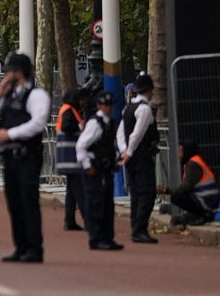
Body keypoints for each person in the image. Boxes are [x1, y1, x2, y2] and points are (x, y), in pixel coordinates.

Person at [0, 51, 49, 263]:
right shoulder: (8, 94)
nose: (5, 75)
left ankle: (34, 248)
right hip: (9, 155)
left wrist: (9, 134)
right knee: (14, 202)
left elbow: (38, 123)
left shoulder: (36, 95)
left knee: (28, 200)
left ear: (18, 72)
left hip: (27, 153)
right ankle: (20, 246)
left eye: (9, 71)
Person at [76, 90, 123, 251]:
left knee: (107, 206)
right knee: (96, 205)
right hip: (95, 170)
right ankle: (96, 238)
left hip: (106, 169)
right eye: (105, 104)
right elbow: (81, 146)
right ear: (98, 105)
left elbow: (109, 146)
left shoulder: (110, 123)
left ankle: (107, 238)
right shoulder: (95, 123)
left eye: (110, 105)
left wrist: (115, 158)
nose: (108, 108)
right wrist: (87, 165)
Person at [117, 73, 160, 244]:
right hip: (141, 155)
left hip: (130, 156)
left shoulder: (128, 107)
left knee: (135, 192)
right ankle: (139, 229)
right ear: (149, 91)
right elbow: (138, 134)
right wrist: (130, 152)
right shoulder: (144, 109)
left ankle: (136, 226)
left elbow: (121, 132)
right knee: (147, 193)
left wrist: (123, 150)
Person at [55, 88, 88, 231]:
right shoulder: (68, 110)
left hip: (68, 156)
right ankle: (88, 219)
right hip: (70, 156)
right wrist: (80, 127)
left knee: (71, 192)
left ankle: (69, 220)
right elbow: (68, 127)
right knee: (79, 190)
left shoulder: (68, 109)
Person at [164, 140, 218, 227]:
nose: (178, 154)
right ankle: (197, 215)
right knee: (181, 195)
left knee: (176, 196)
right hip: (207, 196)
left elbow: (185, 186)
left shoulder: (193, 164)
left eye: (180, 151)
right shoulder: (195, 161)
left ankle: (204, 215)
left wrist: (167, 190)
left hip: (206, 199)